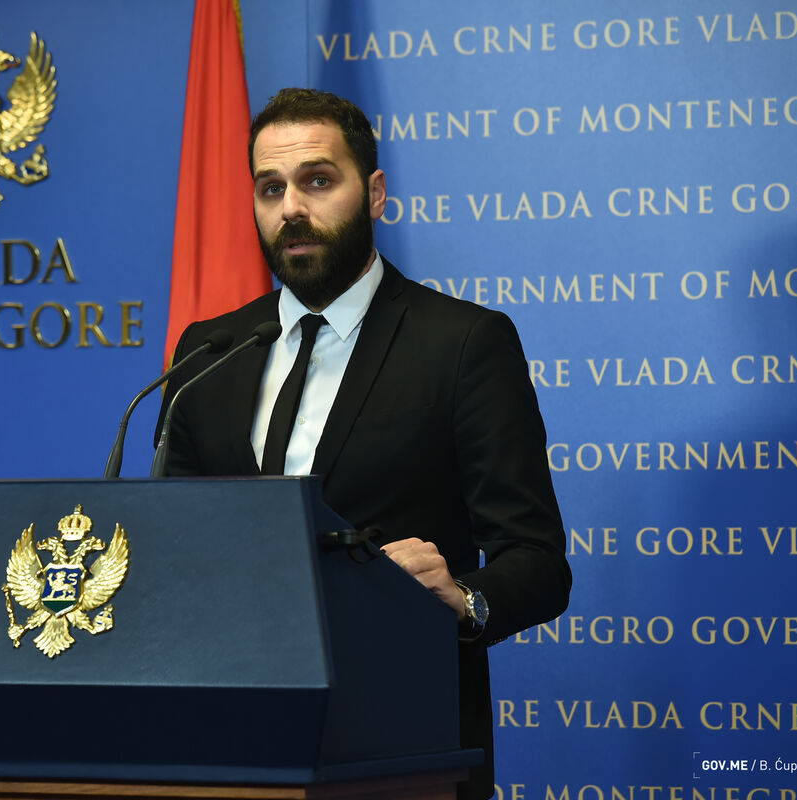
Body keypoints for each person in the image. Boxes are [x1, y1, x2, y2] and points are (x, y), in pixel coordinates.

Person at [157, 87, 571, 800]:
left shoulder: (462, 343)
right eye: (270, 188)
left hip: (400, 743)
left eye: (318, 180)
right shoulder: (208, 350)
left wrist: (465, 599)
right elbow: (173, 545)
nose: (291, 208)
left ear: (374, 193)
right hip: (229, 742)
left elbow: (536, 559)